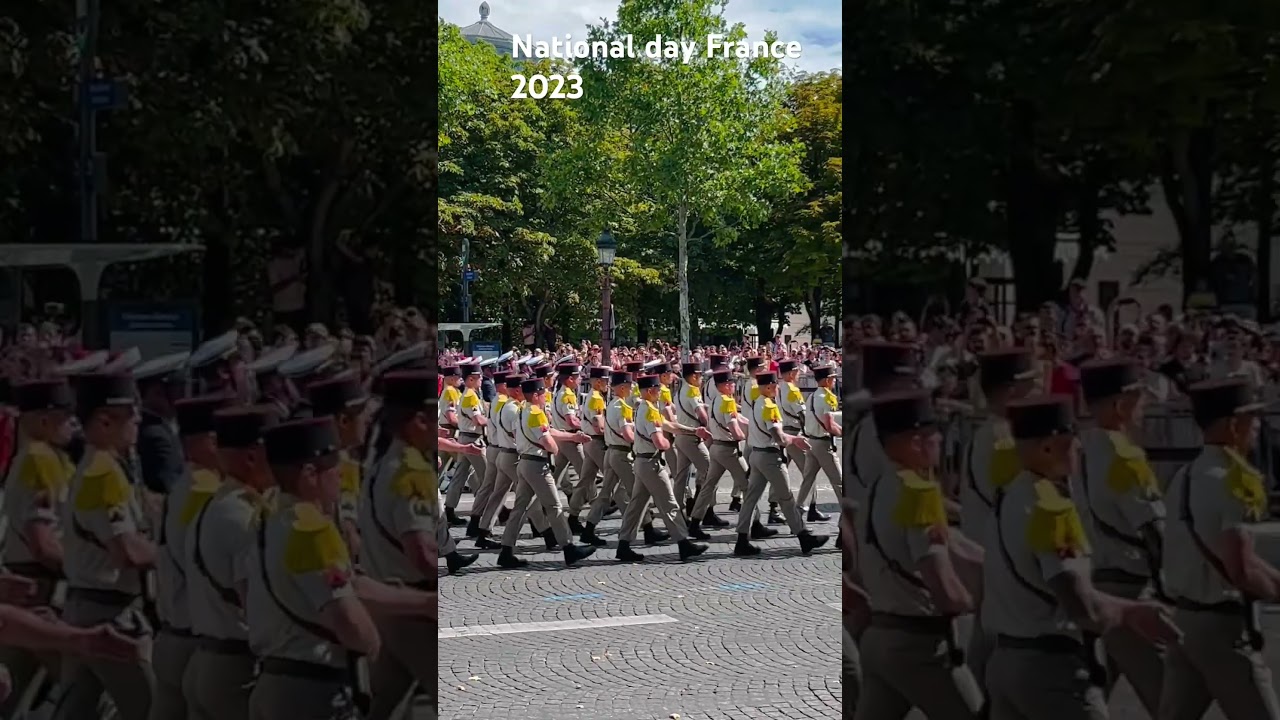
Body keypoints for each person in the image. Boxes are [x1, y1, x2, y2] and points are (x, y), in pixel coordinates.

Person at [982, 394, 1179, 720]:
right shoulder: (1051, 510)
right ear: (1049, 448)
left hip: (1006, 659)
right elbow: (1083, 608)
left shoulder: (1008, 499)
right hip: (1050, 670)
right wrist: (1133, 611)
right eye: (1071, 443)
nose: (1078, 450)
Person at [245, 417, 429, 719]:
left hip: (273, 683)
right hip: (311, 692)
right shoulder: (313, 531)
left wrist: (422, 603)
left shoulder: (271, 520)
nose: (342, 477)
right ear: (309, 474)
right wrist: (373, 643)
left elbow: (350, 583)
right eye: (334, 469)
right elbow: (351, 624)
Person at [855, 390, 984, 719]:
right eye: (933, 433)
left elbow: (954, 543)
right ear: (915, 441)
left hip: (879, 638)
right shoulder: (919, 493)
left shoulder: (878, 489)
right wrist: (980, 602)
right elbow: (945, 590)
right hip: (920, 647)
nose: (940, 440)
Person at [1159, 378, 1280, 719]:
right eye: (1252, 418)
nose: (1257, 426)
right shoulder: (1232, 481)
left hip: (1184, 619)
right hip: (1220, 627)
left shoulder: (1184, 475)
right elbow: (1240, 568)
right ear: (1232, 424)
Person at [53, 372, 156, 720]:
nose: (139, 420)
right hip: (108, 614)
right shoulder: (103, 472)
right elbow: (126, 551)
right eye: (132, 413)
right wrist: (173, 554)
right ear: (105, 420)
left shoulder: (103, 467)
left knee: (78, 712)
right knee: (153, 709)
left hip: (85, 605)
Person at [1073, 358, 1167, 713]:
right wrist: (1170, 586)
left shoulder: (1082, 450)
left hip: (1097, 581)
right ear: (1119, 405)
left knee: (1091, 697)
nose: (1143, 403)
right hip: (1130, 586)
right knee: (1170, 699)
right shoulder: (1126, 456)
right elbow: (1153, 528)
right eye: (1137, 396)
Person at [357, 370, 449, 718]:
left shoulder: (384, 464)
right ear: (418, 420)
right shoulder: (411, 472)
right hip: (414, 609)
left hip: (388, 605)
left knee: (382, 704)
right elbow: (421, 551)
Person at [183, 406, 278, 720]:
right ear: (251, 458)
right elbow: (254, 602)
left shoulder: (215, 505)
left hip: (207, 658)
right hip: (236, 669)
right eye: (273, 452)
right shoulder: (243, 516)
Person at [151, 393, 234, 720]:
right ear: (211, 441)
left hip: (175, 635)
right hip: (193, 640)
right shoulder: (205, 491)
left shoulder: (188, 485)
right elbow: (206, 564)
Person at [0, 378, 76, 716]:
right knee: (80, 688)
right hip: (39, 587)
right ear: (44, 420)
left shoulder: (49, 458)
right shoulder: (39, 460)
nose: (72, 423)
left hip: (33, 586)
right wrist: (85, 569)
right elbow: (42, 543)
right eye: (64, 416)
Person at [495, 379, 595, 569]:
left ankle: (506, 551)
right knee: (554, 506)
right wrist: (556, 449)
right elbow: (549, 441)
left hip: (524, 462)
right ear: (535, 395)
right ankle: (569, 548)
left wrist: (573, 436)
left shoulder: (523, 410)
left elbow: (549, 430)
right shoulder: (535, 412)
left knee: (519, 509)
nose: (545, 396)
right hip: (537, 465)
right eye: (543, 393)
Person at [614, 374, 709, 563]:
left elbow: (669, 425)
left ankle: (623, 544)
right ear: (650, 391)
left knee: (636, 506)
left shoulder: (647, 408)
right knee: (670, 504)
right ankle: (683, 543)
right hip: (651, 463)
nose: (660, 393)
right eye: (658, 390)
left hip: (643, 462)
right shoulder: (649, 410)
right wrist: (667, 444)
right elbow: (659, 441)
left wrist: (693, 431)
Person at [733, 371, 828, 558]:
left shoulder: (756, 404)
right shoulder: (769, 406)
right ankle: (804, 537)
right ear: (769, 386)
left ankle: (741, 539)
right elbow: (779, 437)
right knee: (786, 498)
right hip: (770, 457)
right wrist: (795, 440)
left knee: (751, 498)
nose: (778, 388)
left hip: (756, 454)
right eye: (775, 385)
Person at [133, 352, 190, 497]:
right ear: (157, 393)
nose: (180, 396)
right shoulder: (156, 436)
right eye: (176, 390)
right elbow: (171, 487)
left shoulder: (158, 427)